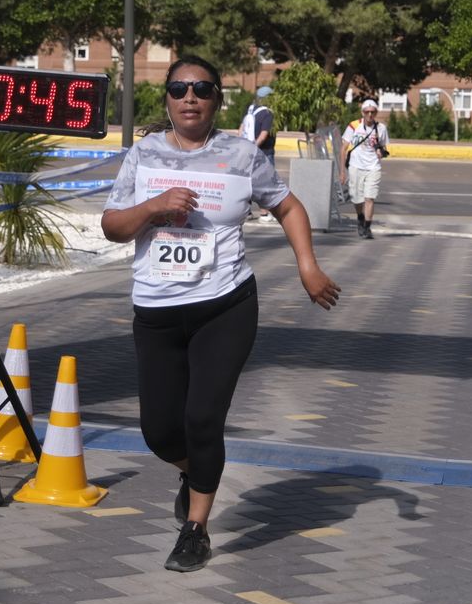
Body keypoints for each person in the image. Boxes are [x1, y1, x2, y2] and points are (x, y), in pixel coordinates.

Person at [102, 57, 340, 574]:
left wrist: (307, 266)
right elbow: (113, 226)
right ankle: (196, 474)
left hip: (225, 305)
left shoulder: (241, 155)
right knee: (160, 431)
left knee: (203, 418)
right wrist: (154, 206)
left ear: (217, 99)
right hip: (157, 310)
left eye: (202, 89)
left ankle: (196, 529)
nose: (190, 97)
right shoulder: (144, 154)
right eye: (179, 88)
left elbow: (288, 207)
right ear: (167, 98)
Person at [340, 99, 389, 239]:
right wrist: (342, 171)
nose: (370, 115)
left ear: (376, 113)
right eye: (367, 112)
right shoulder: (353, 126)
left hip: (373, 167)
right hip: (355, 166)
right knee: (356, 198)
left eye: (372, 112)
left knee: (369, 197)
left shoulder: (381, 128)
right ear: (362, 113)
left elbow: (383, 147)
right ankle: (360, 216)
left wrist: (381, 152)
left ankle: (367, 227)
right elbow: (343, 149)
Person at [239, 84, 277, 219]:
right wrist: (255, 147)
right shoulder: (267, 113)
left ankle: (246, 212)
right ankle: (264, 213)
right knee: (265, 181)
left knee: (247, 182)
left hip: (247, 151)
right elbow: (264, 134)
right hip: (264, 151)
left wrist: (245, 147)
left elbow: (241, 129)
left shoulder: (250, 110)